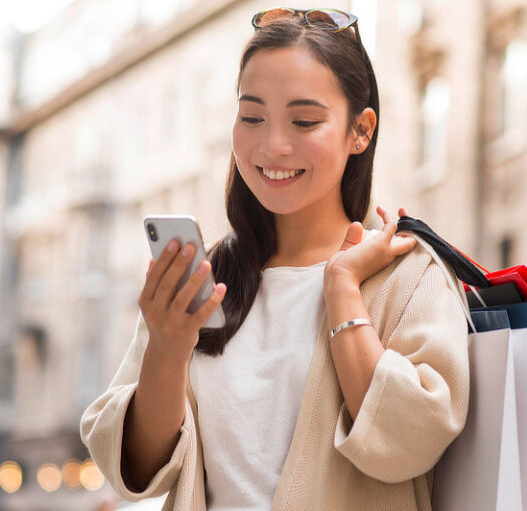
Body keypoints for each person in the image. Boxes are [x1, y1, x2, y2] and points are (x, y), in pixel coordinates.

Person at [80, 7, 469, 511]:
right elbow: (134, 469)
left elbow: (408, 444)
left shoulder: (409, 275)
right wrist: (167, 348)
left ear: (361, 131)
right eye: (252, 117)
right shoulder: (208, 277)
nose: (273, 145)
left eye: (304, 120)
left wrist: (343, 288)